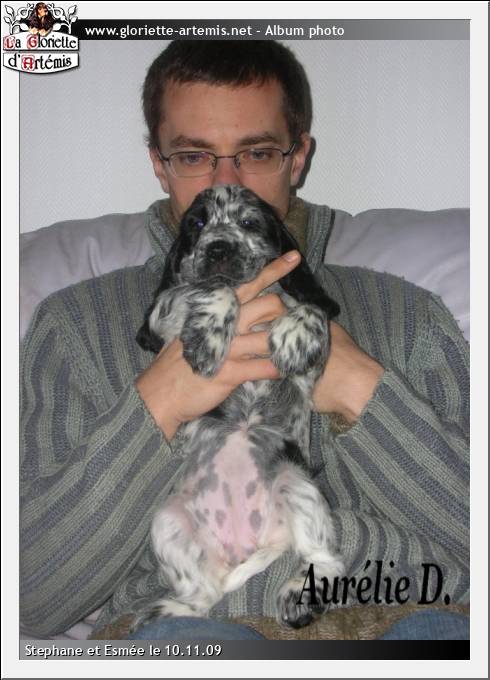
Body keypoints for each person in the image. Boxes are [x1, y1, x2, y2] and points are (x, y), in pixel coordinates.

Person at [20, 40, 469, 641]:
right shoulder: (75, 326)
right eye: (193, 156)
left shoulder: (410, 316)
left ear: (297, 156)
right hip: (194, 627)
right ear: (159, 163)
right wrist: (158, 404)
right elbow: (32, 596)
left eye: (257, 153)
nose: (227, 180)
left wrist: (360, 387)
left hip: (406, 612)